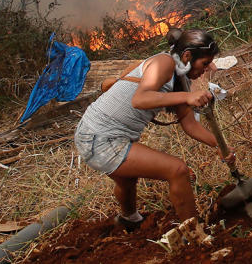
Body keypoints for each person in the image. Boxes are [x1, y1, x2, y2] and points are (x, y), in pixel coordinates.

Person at [74, 28, 232, 230]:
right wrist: (187, 97)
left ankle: (129, 220)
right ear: (187, 56)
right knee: (177, 170)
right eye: (205, 62)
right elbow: (140, 99)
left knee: (126, 180)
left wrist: (219, 145)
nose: (208, 68)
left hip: (103, 136)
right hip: (99, 137)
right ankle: (194, 235)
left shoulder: (182, 80)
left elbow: (189, 123)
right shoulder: (164, 63)